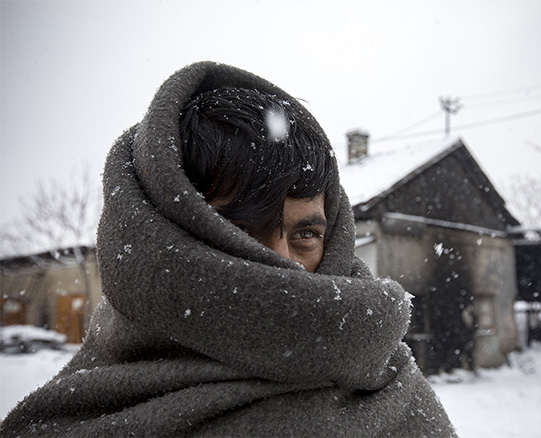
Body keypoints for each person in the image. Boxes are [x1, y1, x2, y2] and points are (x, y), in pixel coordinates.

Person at [0, 62, 457, 437]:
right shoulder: (83, 412)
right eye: (240, 228)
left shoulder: (387, 384)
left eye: (305, 235)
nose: (285, 264)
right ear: (163, 237)